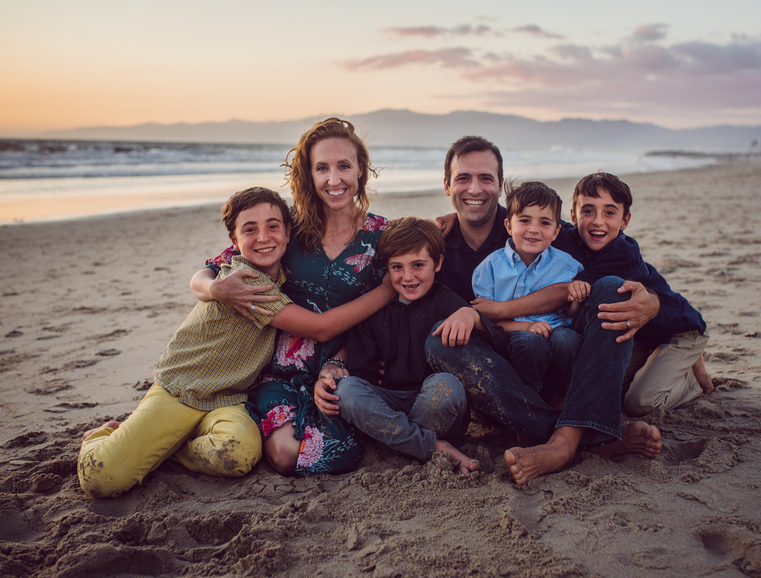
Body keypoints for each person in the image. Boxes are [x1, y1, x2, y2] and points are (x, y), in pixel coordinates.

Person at [426, 135, 662, 485]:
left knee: (612, 287)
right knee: (438, 342)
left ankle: (563, 442)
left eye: (486, 179)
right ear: (447, 185)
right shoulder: (435, 239)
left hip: (556, 351)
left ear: (499, 187)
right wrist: (471, 315)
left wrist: (653, 302)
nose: (474, 188)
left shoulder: (535, 222)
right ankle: (587, 435)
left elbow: (617, 256)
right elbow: (400, 264)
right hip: (497, 365)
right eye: (463, 178)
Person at [190, 118, 395, 476]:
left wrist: (341, 364)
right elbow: (212, 269)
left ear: (361, 170)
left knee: (348, 449)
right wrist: (212, 289)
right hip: (281, 372)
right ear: (308, 175)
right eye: (322, 168)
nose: (334, 180)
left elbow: (407, 283)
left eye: (344, 166)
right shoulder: (287, 228)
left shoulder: (382, 235)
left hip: (349, 370)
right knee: (286, 454)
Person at [78, 187, 293, 498]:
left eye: (273, 226)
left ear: (287, 232)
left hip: (227, 398)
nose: (263, 236)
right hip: (181, 390)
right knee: (101, 478)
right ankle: (102, 436)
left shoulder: (284, 274)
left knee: (240, 453)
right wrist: (383, 292)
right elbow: (321, 328)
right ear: (233, 242)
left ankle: (168, 447)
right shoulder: (246, 282)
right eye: (250, 229)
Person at [317, 217, 507, 473]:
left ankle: (403, 441)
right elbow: (363, 376)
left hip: (436, 405)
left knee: (446, 386)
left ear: (438, 262)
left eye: (418, 265)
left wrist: (472, 316)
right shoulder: (374, 310)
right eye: (397, 267)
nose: (408, 277)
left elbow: (496, 344)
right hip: (390, 403)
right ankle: (432, 447)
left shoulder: (448, 302)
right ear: (386, 267)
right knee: (348, 391)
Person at [567, 172, 712, 416]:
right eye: (588, 211)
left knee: (639, 403)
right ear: (573, 216)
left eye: (610, 212)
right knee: (611, 390)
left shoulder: (622, 254)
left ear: (625, 221)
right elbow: (538, 220)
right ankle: (670, 365)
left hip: (680, 331)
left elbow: (571, 290)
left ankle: (691, 381)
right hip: (643, 338)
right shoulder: (570, 238)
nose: (597, 221)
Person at [472, 181, 587, 404]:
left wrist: (576, 295)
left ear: (556, 232)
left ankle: (558, 400)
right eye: (524, 220)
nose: (533, 229)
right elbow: (486, 322)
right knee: (530, 343)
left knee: (568, 339)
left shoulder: (568, 266)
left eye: (545, 223)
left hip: (557, 332)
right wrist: (527, 327)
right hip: (513, 338)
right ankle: (529, 403)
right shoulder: (489, 268)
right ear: (508, 225)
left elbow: (572, 313)